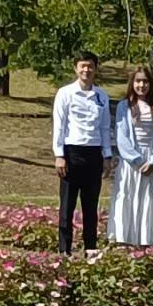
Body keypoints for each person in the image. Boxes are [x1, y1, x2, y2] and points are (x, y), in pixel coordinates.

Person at [51, 51, 114, 255]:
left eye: (90, 66)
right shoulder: (65, 93)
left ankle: (90, 249)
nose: (86, 70)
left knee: (91, 206)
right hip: (71, 152)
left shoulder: (101, 96)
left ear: (95, 69)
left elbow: (105, 127)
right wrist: (59, 155)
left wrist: (107, 155)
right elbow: (59, 125)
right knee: (67, 206)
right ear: (76, 68)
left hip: (94, 154)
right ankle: (64, 251)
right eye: (82, 66)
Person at [109, 66, 153, 248]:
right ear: (132, 83)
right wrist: (138, 160)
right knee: (126, 195)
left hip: (151, 159)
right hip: (131, 160)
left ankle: (147, 239)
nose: (141, 85)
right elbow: (122, 137)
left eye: (145, 81)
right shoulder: (124, 106)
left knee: (149, 197)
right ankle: (123, 238)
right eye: (138, 81)